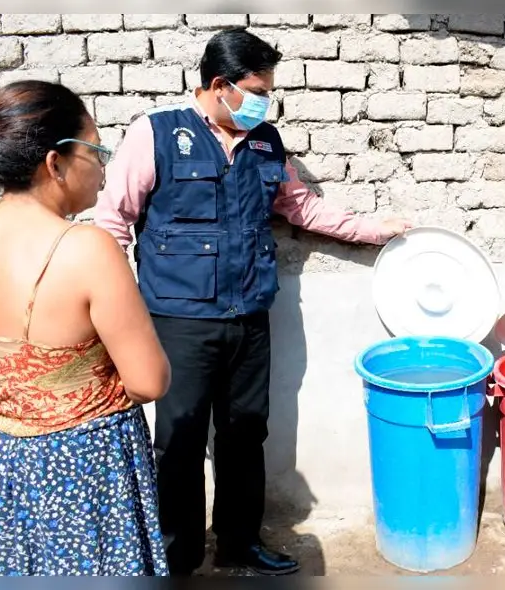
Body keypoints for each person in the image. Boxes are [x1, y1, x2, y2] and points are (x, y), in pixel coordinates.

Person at [94, 29, 412, 576]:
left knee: (245, 433)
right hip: (178, 320)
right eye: (259, 91)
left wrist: (372, 230)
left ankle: (239, 543)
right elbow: (112, 220)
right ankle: (177, 555)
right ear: (221, 85)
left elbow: (301, 207)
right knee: (179, 438)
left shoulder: (265, 141)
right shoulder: (157, 134)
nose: (266, 102)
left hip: (249, 316)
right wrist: (117, 314)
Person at [0, 80, 172, 575]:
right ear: (54, 163)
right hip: (82, 463)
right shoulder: (86, 248)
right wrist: (77, 382)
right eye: (96, 151)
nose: (103, 168)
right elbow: (149, 382)